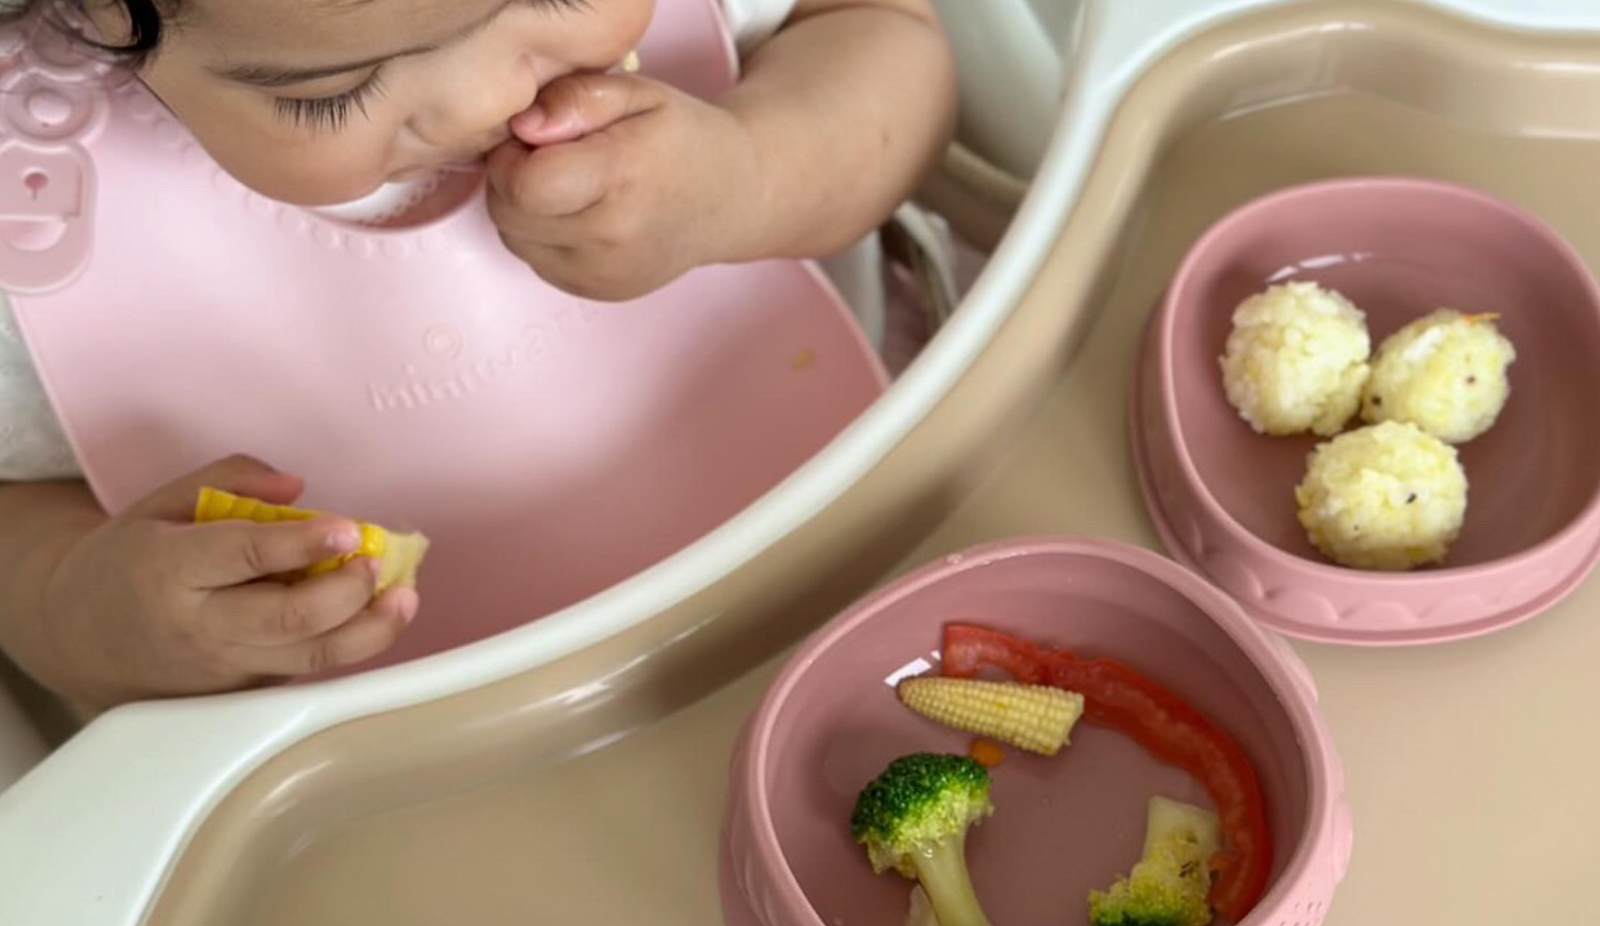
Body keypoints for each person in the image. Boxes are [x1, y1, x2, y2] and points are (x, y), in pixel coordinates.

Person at [0, 0, 957, 708]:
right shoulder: (38, 214)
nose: (483, 102)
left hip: (884, 511)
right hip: (421, 757)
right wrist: (80, 608)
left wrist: (751, 171)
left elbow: (886, 34)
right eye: (337, 94)